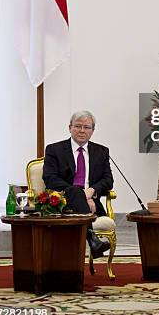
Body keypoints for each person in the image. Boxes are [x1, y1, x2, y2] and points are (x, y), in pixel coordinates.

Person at [43, 110, 114, 258]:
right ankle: (93, 240)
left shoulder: (101, 151)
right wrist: (81, 195)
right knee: (75, 190)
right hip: (63, 202)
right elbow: (50, 178)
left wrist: (92, 190)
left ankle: (94, 241)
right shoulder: (54, 150)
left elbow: (108, 180)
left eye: (87, 127)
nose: (82, 131)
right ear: (70, 127)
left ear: (93, 130)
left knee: (78, 192)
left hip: (92, 201)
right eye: (78, 126)